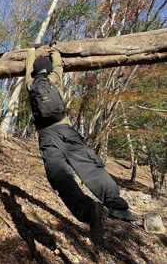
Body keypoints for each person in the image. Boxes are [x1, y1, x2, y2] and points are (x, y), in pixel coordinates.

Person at [25, 46, 137, 229]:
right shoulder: (55, 79)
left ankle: (88, 212)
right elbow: (59, 65)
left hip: (46, 136)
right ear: (49, 70)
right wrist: (55, 52)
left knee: (58, 175)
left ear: (35, 71)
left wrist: (31, 50)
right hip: (66, 129)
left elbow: (28, 66)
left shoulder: (30, 84)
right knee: (89, 165)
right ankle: (117, 206)